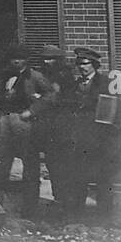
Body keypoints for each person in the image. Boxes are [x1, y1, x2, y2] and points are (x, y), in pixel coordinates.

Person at [0, 46, 57, 216]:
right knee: (1, 162)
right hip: (5, 121)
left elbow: (50, 96)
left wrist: (32, 111)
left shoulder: (35, 76)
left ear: (26, 60)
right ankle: (0, 205)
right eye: (13, 58)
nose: (16, 61)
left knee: (30, 165)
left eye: (20, 58)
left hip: (25, 123)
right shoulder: (5, 75)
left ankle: (30, 208)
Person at [64, 48, 121, 219]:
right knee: (79, 179)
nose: (81, 67)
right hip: (81, 141)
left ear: (95, 65)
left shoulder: (106, 83)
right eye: (78, 64)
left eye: (85, 64)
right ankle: (77, 217)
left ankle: (104, 218)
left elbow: (115, 112)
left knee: (104, 181)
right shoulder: (75, 85)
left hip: (101, 141)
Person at [35, 44, 75, 212]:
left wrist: (48, 99)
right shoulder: (43, 75)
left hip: (63, 126)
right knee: (52, 162)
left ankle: (65, 198)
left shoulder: (65, 76)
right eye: (45, 58)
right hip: (48, 125)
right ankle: (58, 196)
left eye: (50, 58)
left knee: (63, 163)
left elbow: (69, 100)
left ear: (58, 60)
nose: (47, 61)